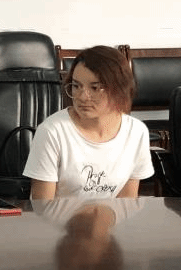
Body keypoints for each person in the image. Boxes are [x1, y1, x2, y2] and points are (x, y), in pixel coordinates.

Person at [24, 45, 153, 199]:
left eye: (95, 88)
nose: (82, 97)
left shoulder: (137, 132)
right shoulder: (52, 132)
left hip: (111, 216)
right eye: (76, 86)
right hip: (59, 216)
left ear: (119, 88)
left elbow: (126, 204)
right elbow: (42, 206)